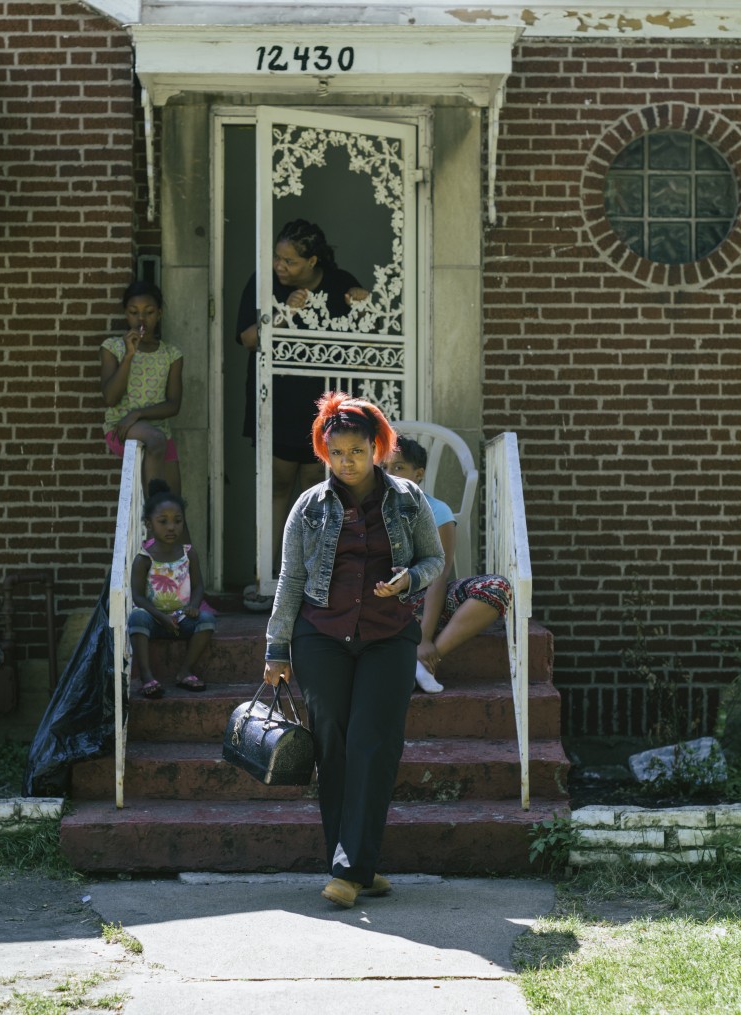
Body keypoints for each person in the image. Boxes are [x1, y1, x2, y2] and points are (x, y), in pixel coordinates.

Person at [262, 392, 445, 909]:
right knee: (335, 748)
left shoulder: (408, 499)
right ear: (325, 451)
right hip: (321, 638)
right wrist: (277, 647)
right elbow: (291, 579)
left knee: (374, 743)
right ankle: (355, 864)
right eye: (336, 451)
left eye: (357, 452)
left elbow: (433, 559)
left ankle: (349, 869)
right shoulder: (309, 506)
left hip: (389, 637)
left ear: (377, 448)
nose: (347, 462)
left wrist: (411, 579)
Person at [236, 220, 369, 610]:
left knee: (316, 483)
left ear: (313, 261)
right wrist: (282, 313)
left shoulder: (339, 280)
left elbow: (362, 332)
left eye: (290, 261)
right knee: (277, 485)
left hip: (321, 403)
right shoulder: (264, 281)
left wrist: (363, 301)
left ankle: (313, 576)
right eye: (277, 257)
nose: (279, 265)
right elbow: (247, 338)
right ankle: (272, 575)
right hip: (276, 398)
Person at [386, 436, 512, 693]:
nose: (389, 474)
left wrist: (425, 638)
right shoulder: (367, 510)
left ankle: (420, 663)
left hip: (424, 604)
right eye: (382, 468)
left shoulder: (437, 511)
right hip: (382, 604)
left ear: (418, 474)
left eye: (398, 467)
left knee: (497, 587)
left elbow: (440, 574)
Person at [127, 480, 215, 698]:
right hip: (153, 618)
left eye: (177, 521)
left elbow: (198, 586)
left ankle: (185, 671)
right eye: (163, 521)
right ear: (149, 524)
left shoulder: (188, 553)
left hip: (182, 618)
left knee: (207, 620)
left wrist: (193, 606)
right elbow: (137, 595)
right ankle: (147, 677)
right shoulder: (144, 558)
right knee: (136, 619)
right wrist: (159, 617)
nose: (171, 527)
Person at [100, 280, 184, 496]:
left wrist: (138, 414)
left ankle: (159, 517)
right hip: (121, 427)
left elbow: (174, 405)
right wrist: (129, 356)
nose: (141, 319)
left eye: (149, 312)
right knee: (154, 440)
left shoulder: (171, 354)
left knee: (175, 506)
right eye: (133, 312)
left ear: (159, 314)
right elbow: (110, 398)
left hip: (158, 430)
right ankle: (152, 513)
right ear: (125, 314)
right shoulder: (113, 348)